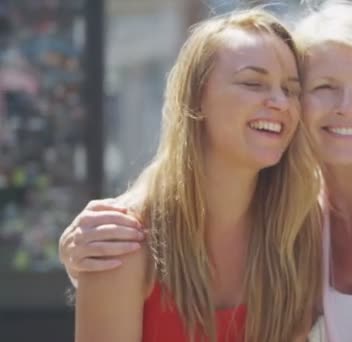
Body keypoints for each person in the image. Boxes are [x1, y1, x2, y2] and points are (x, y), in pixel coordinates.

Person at [61, 1, 352, 341]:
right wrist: (83, 249)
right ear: (196, 100)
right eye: (323, 87)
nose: (346, 107)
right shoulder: (300, 226)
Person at [70, 8, 322, 342]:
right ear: (197, 97)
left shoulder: (299, 228)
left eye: (290, 90)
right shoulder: (121, 240)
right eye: (252, 83)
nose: (280, 102)